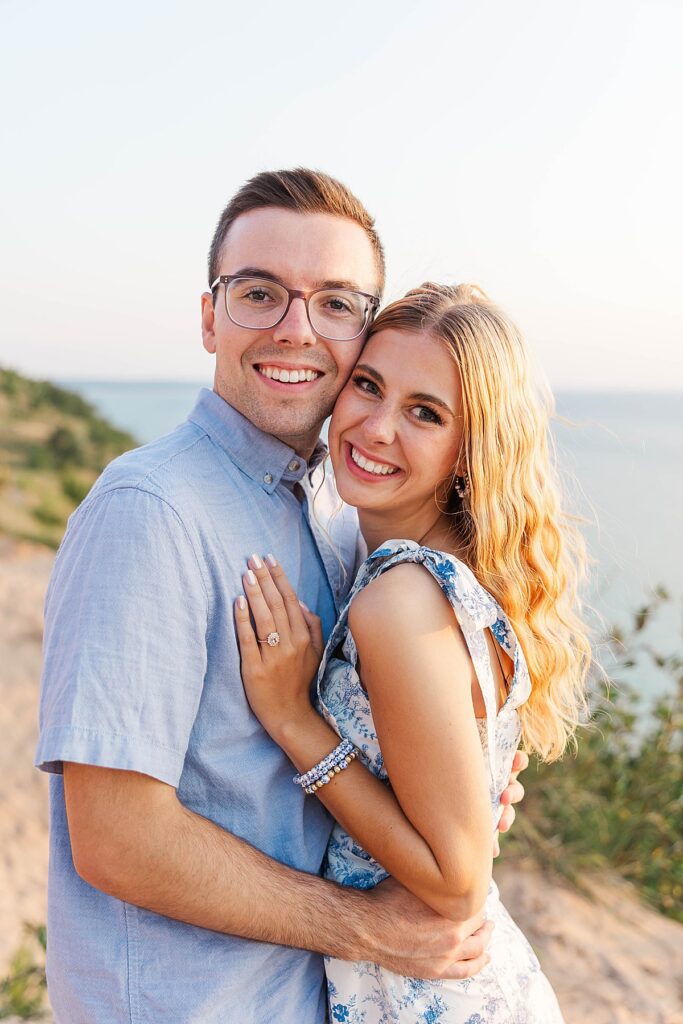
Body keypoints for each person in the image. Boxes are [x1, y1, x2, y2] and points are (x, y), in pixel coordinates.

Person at [35, 171, 526, 1023]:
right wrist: (370, 930)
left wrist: (457, 786)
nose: (297, 329)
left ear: (361, 332)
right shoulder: (150, 512)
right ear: (208, 317)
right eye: (259, 293)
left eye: (336, 303)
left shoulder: (338, 514)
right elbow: (117, 839)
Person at [235, 282, 591, 1022]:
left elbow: (458, 883)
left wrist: (294, 721)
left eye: (424, 413)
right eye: (367, 385)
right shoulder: (447, 575)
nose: (375, 427)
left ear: (470, 451)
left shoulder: (399, 601)